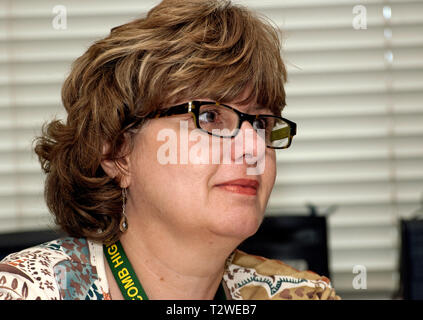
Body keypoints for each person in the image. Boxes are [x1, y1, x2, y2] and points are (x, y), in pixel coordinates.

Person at [0, 0, 340, 300]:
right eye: (210, 116)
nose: (253, 149)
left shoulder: (303, 296)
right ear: (117, 153)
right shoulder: (26, 291)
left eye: (263, 124)